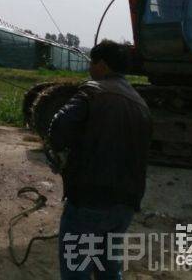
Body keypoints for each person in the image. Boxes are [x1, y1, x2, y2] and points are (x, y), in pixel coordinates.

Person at [49, 40, 152, 279]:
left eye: (91, 63)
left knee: (77, 269)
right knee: (109, 267)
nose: (89, 69)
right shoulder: (141, 104)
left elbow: (58, 128)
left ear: (102, 65)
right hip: (126, 203)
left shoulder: (92, 90)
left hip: (90, 199)